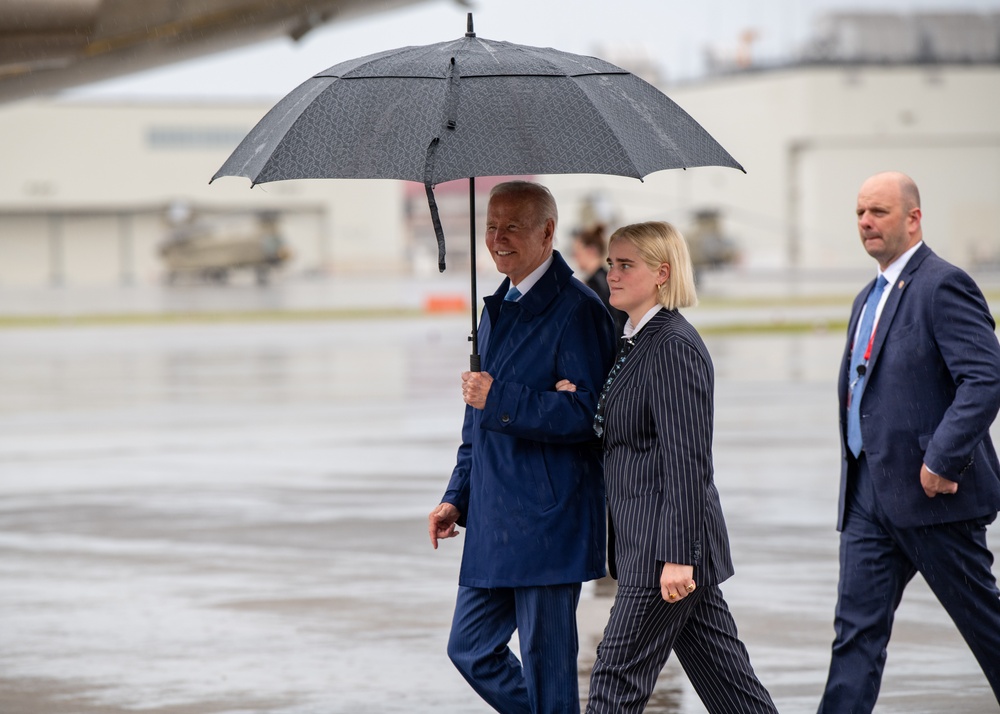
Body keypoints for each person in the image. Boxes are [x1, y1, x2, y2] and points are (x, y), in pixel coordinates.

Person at [570, 221, 777, 713]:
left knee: (614, 680)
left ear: (661, 273)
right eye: (611, 264)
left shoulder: (672, 347)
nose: (612, 274)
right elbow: (627, 432)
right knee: (732, 691)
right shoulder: (636, 340)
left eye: (626, 265)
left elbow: (687, 462)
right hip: (656, 546)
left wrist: (679, 556)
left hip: (665, 551)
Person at [427, 181, 616, 713]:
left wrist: (501, 395)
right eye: (491, 226)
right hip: (494, 518)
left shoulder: (578, 310)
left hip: (548, 520)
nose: (497, 237)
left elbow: (590, 414)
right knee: (470, 649)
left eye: (512, 225)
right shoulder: (495, 308)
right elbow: (476, 425)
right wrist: (455, 497)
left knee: (547, 666)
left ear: (547, 231)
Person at [817, 171, 1000, 712]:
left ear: (913, 218)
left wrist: (942, 458)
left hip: (932, 495)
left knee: (985, 629)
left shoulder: (943, 284)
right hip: (867, 496)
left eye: (878, 212)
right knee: (855, 637)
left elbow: (985, 377)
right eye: (859, 213)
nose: (866, 223)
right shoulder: (866, 298)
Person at [572, 224, 628, 335]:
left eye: (577, 252)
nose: (575, 257)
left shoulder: (596, 284)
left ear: (591, 251)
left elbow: (611, 321)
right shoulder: (608, 278)